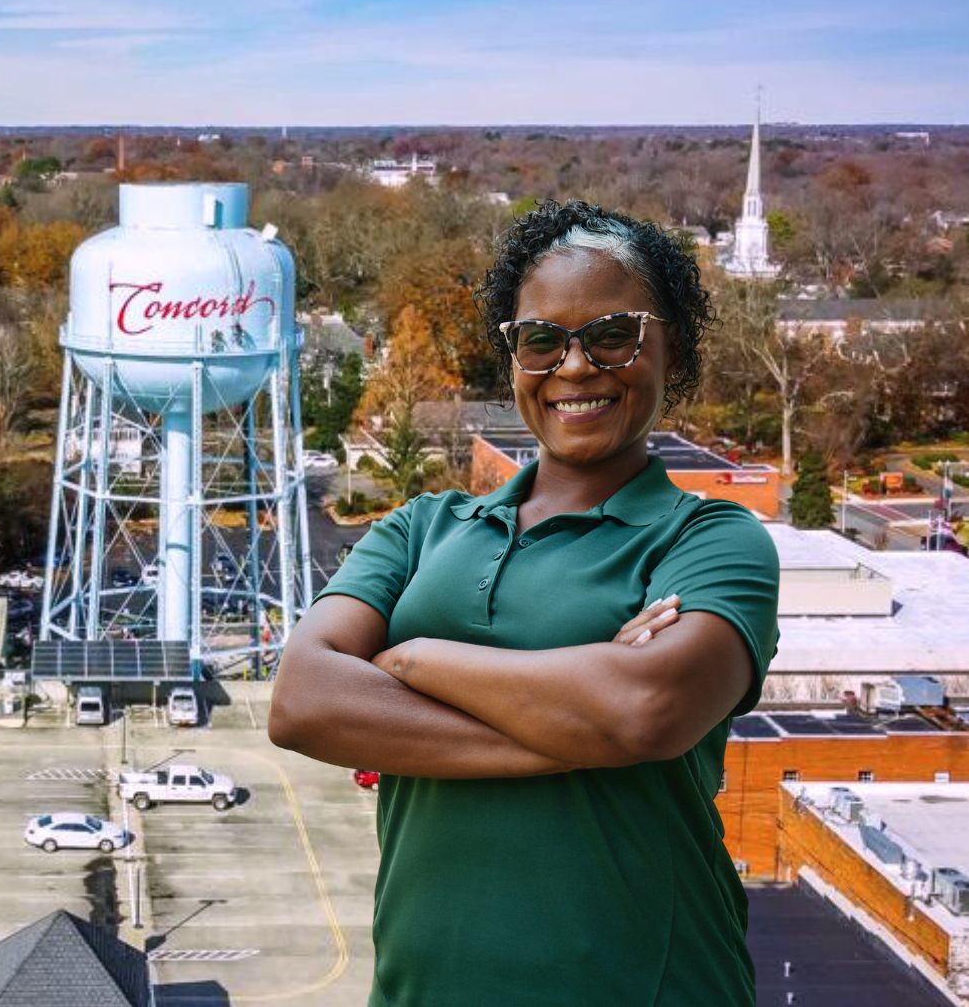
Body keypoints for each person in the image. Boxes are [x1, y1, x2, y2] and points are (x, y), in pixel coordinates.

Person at [269, 200, 781, 1006]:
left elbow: (646, 710)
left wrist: (413, 659)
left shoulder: (711, 541)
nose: (574, 366)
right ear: (514, 359)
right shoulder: (420, 528)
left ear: (670, 346)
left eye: (613, 333)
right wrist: (582, 717)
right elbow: (302, 702)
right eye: (541, 340)